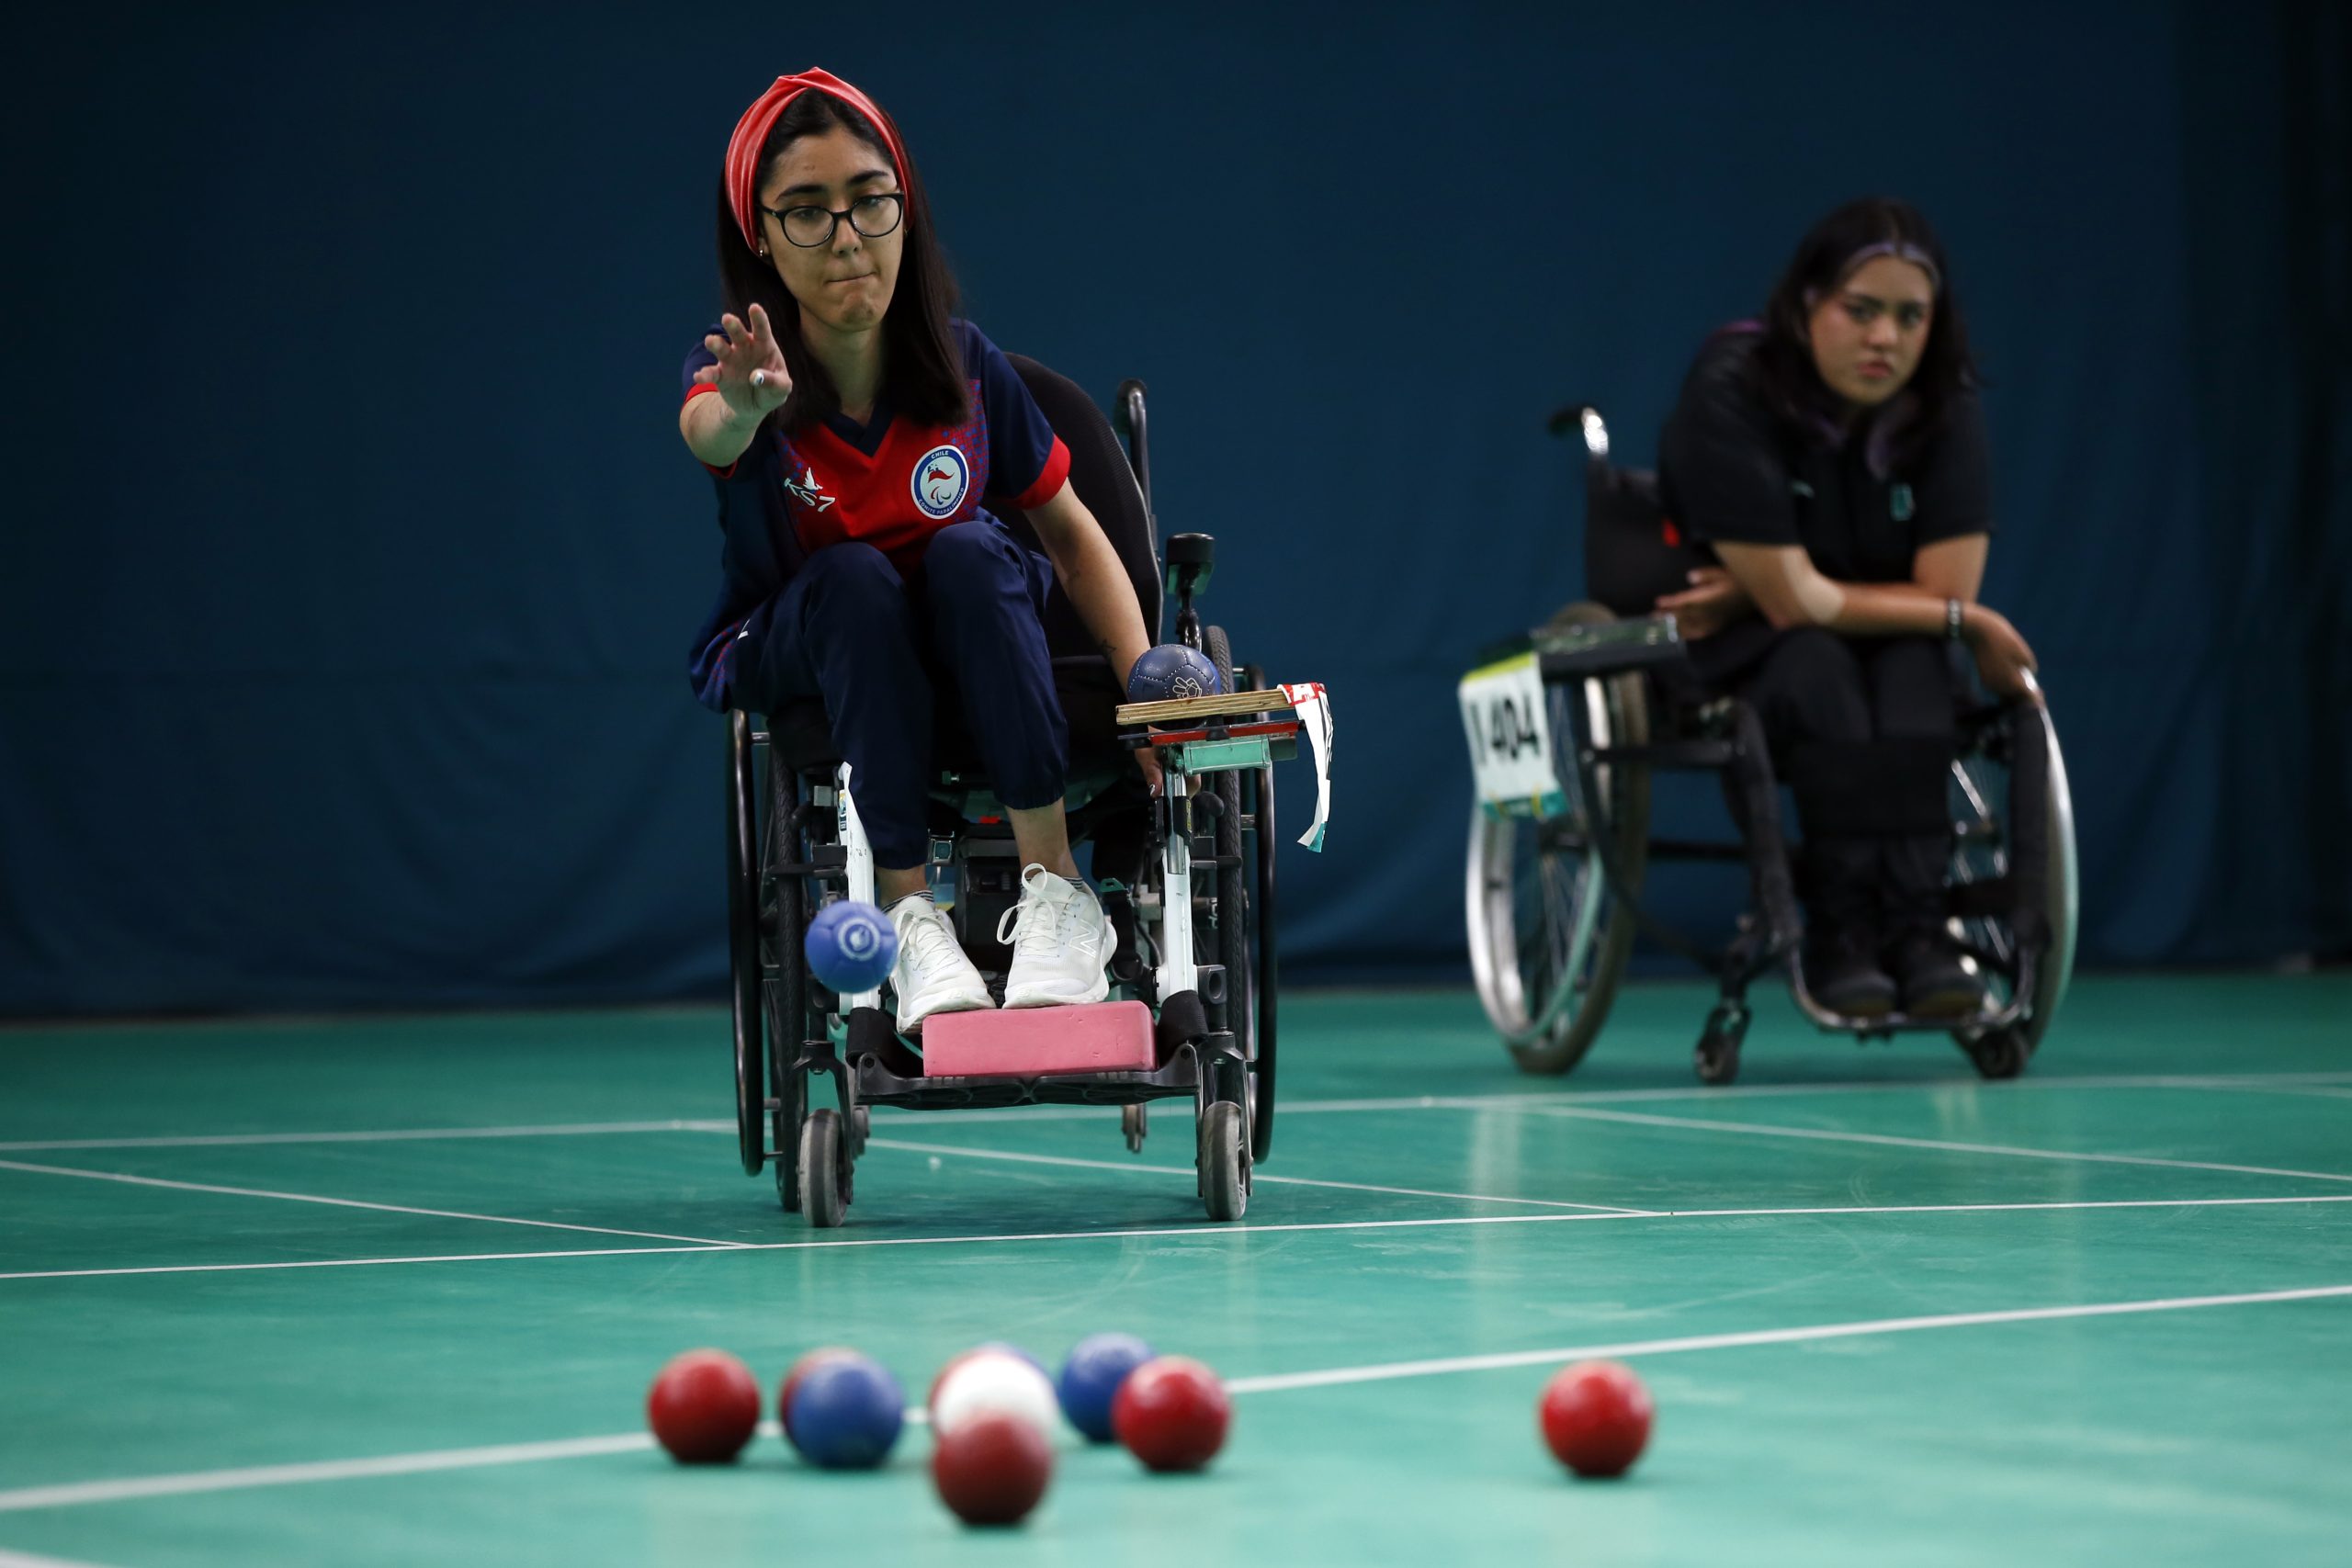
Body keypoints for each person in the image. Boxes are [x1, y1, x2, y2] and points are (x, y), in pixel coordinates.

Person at [678, 70, 1155, 1032]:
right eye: (807, 213)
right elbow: (707, 432)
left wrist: (1143, 677)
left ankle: (1058, 894)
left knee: (972, 551)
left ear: (906, 209)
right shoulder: (741, 385)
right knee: (853, 574)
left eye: (868, 201)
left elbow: (1071, 537)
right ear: (760, 236)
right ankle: (907, 916)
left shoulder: (969, 370)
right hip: (808, 642)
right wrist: (744, 409)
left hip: (966, 631)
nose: (848, 235)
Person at [1654, 197, 2041, 1020]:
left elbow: (1943, 594)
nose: (1886, 340)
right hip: (1747, 652)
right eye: (1860, 311)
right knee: (1819, 663)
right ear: (1805, 306)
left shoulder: (1944, 403)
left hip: (1866, 640)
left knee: (1911, 669)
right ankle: (1844, 931)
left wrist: (1944, 617)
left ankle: (1918, 930)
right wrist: (1956, 621)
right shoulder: (1731, 387)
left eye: (1911, 316)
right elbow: (1797, 607)